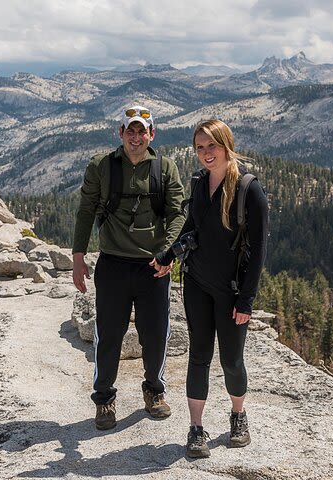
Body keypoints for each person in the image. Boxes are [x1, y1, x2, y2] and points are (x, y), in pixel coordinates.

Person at [152, 119, 268, 457]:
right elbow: (192, 226)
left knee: (231, 360)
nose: (205, 153)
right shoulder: (200, 184)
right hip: (197, 284)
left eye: (211, 146)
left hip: (231, 291)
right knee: (199, 356)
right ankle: (196, 428)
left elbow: (259, 249)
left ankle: (238, 415)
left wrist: (246, 299)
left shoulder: (249, 189)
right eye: (200, 148)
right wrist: (168, 254)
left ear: (226, 145)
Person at [72, 105, 185, 430]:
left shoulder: (165, 169)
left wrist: (167, 253)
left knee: (155, 334)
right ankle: (104, 399)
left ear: (152, 134)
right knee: (109, 334)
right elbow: (86, 211)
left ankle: (154, 391)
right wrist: (78, 256)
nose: (136, 137)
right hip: (112, 265)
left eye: (142, 131)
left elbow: (177, 213)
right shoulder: (102, 167)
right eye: (130, 131)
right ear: (120, 133)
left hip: (154, 268)